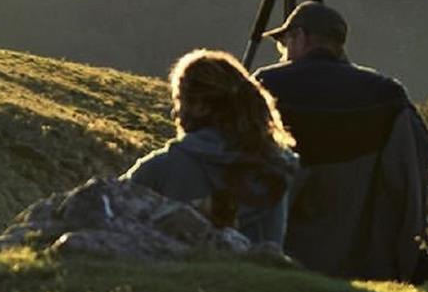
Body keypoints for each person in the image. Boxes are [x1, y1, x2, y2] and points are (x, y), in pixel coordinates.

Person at [252, 0, 428, 281]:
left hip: (277, 251)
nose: (283, 53)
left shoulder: (266, 85)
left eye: (284, 43)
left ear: (301, 37)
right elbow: (411, 167)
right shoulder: (386, 94)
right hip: (360, 256)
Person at [123, 49, 298, 246]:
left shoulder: (161, 168)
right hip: (256, 274)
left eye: (179, 100)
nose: (175, 113)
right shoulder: (276, 166)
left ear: (201, 106)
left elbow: (108, 210)